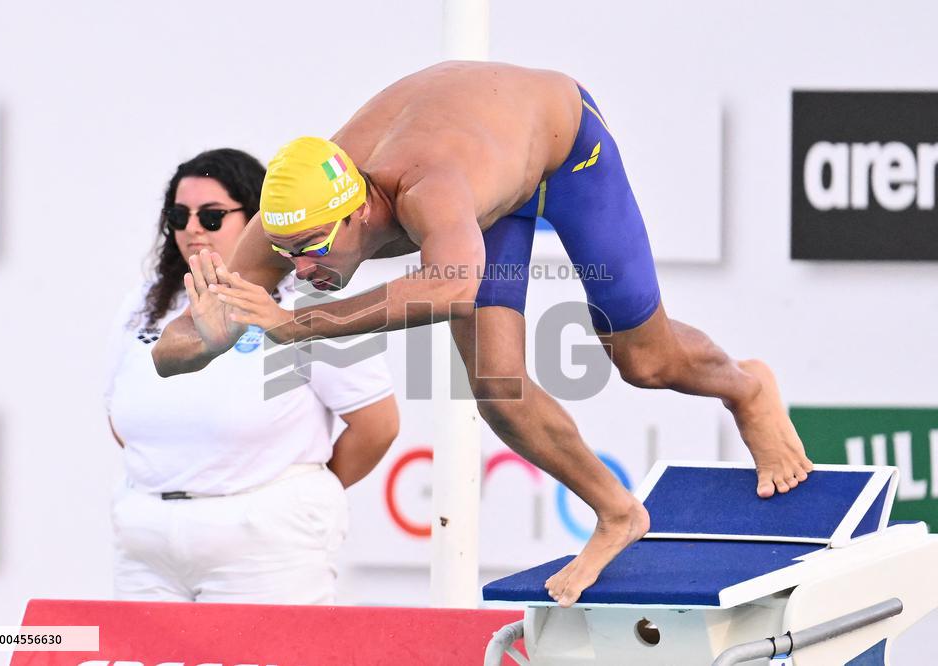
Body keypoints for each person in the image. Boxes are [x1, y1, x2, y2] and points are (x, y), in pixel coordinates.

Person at [152, 63, 814, 608]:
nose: (303, 270)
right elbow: (170, 348)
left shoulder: (426, 188)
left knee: (644, 359)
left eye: (316, 250)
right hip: (482, 175)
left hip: (562, 148)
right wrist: (205, 341)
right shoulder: (288, 226)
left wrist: (297, 324)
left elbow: (448, 286)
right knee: (496, 385)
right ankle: (620, 513)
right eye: (289, 253)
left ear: (358, 210)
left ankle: (747, 387)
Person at [104, 148, 398, 603]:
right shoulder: (145, 302)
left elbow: (377, 424)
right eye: (179, 216)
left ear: (259, 221)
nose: (193, 228)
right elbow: (120, 414)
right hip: (149, 539)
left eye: (213, 215)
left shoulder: (307, 295)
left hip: (266, 542)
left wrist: (290, 498)